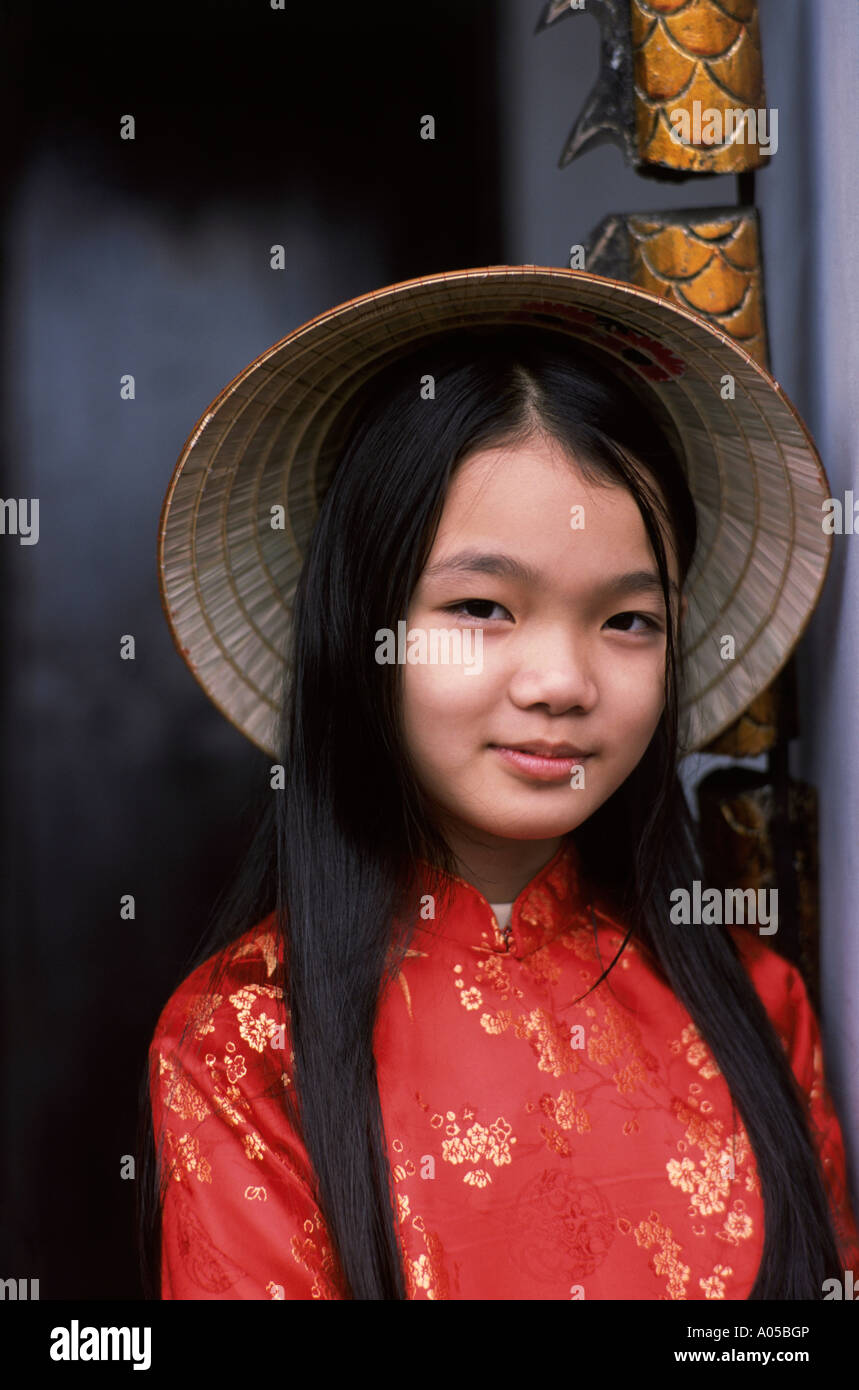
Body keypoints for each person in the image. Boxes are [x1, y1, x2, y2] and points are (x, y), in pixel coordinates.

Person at [141, 267, 859, 1300]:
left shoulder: (757, 1003)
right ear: (364, 630)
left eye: (627, 620)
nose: (562, 682)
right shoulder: (243, 1044)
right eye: (482, 606)